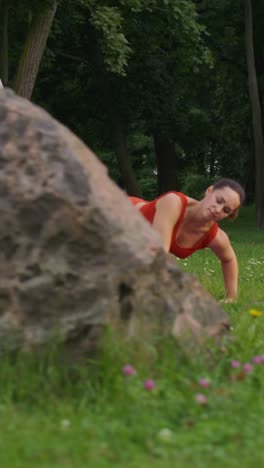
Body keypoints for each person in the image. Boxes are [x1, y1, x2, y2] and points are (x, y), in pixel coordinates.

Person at [129, 178, 245, 301]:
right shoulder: (173, 202)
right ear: (209, 191)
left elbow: (229, 259)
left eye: (226, 210)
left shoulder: (216, 237)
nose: (218, 209)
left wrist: (232, 297)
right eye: (218, 200)